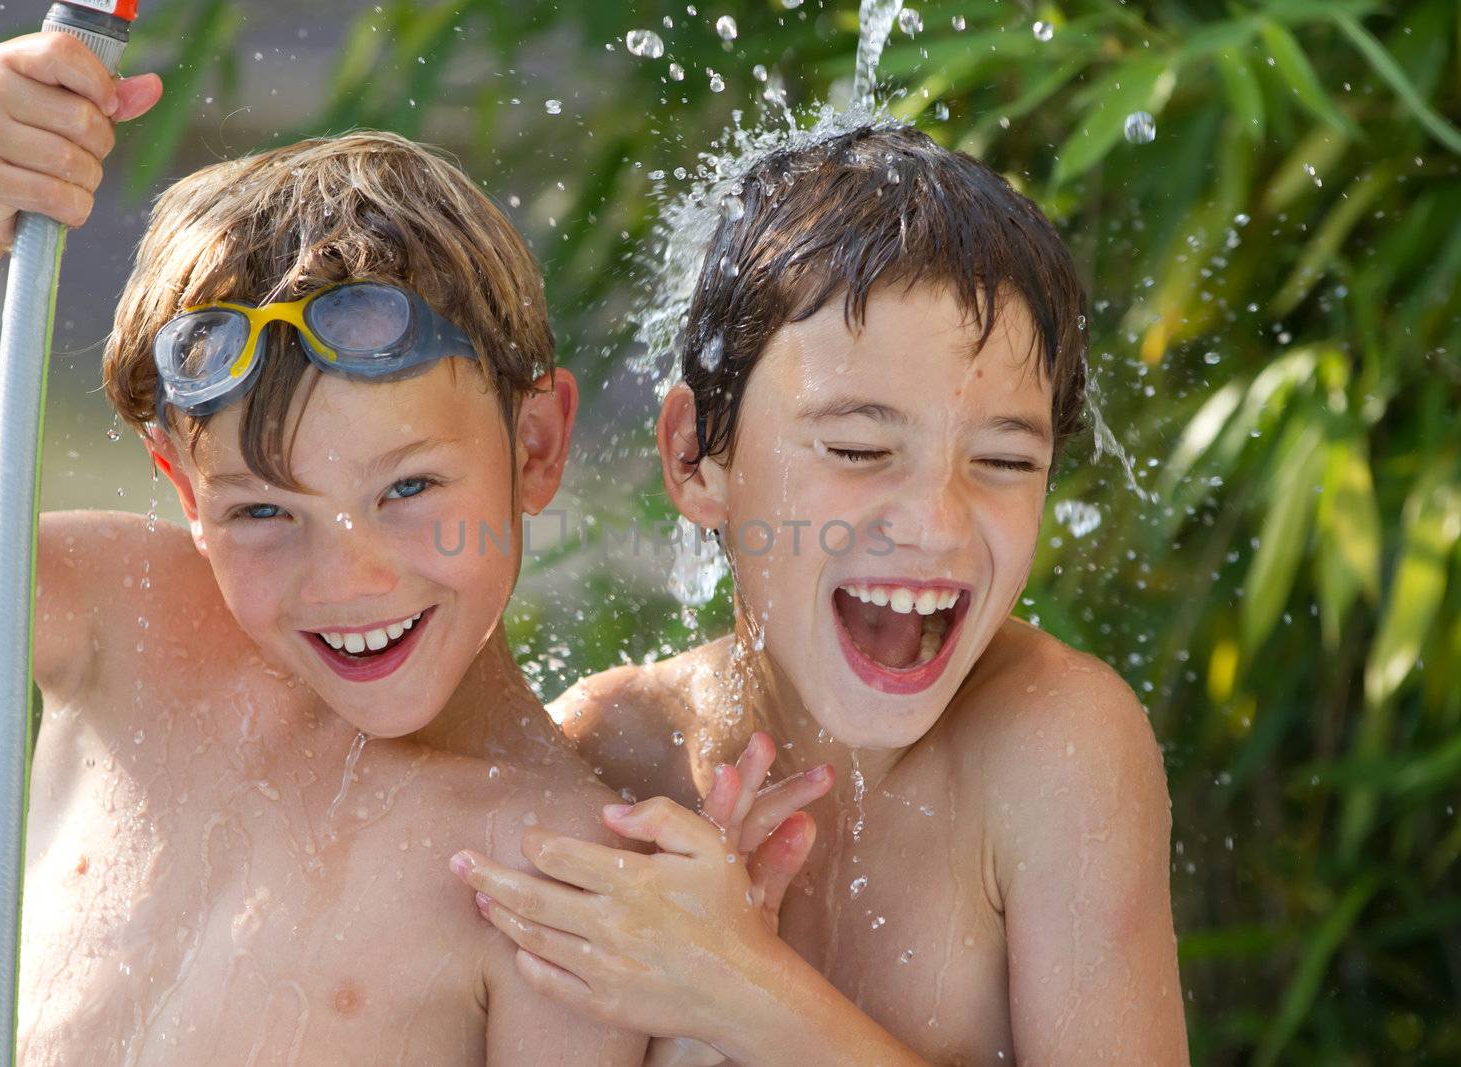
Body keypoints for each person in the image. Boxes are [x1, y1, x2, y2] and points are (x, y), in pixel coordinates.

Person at [0, 33, 649, 1065]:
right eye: (263, 512)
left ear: (535, 445)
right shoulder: (132, 612)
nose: (348, 576)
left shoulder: (559, 875)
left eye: (406, 487)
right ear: (184, 488)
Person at [448, 124, 1190, 1065]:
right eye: (858, 448)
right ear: (694, 457)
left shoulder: (1050, 749)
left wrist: (739, 991)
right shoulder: (616, 759)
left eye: (1004, 460)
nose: (937, 523)